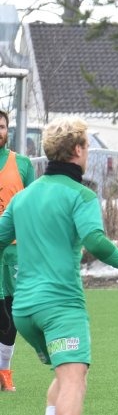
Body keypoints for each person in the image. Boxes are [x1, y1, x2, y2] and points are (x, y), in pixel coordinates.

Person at [0, 116, 118, 415]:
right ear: (79, 150)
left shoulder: (23, 197)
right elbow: (95, 241)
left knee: (67, 373)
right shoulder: (80, 195)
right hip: (60, 305)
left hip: (24, 310)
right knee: (73, 377)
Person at [0, 109, 36, 392]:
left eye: (1, 126)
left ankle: (4, 370)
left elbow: (34, 208)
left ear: (7, 130)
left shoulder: (22, 164)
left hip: (13, 252)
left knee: (12, 313)